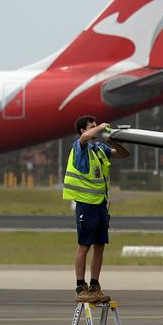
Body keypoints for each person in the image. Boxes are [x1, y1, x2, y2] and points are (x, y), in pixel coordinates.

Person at [63, 115, 130, 303]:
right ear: (83, 130)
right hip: (86, 204)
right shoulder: (81, 147)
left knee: (100, 246)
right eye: (92, 127)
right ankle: (80, 286)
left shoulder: (99, 149)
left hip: (100, 205)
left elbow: (124, 154)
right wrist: (100, 127)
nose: (96, 130)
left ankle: (94, 285)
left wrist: (112, 139)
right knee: (84, 246)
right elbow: (84, 139)